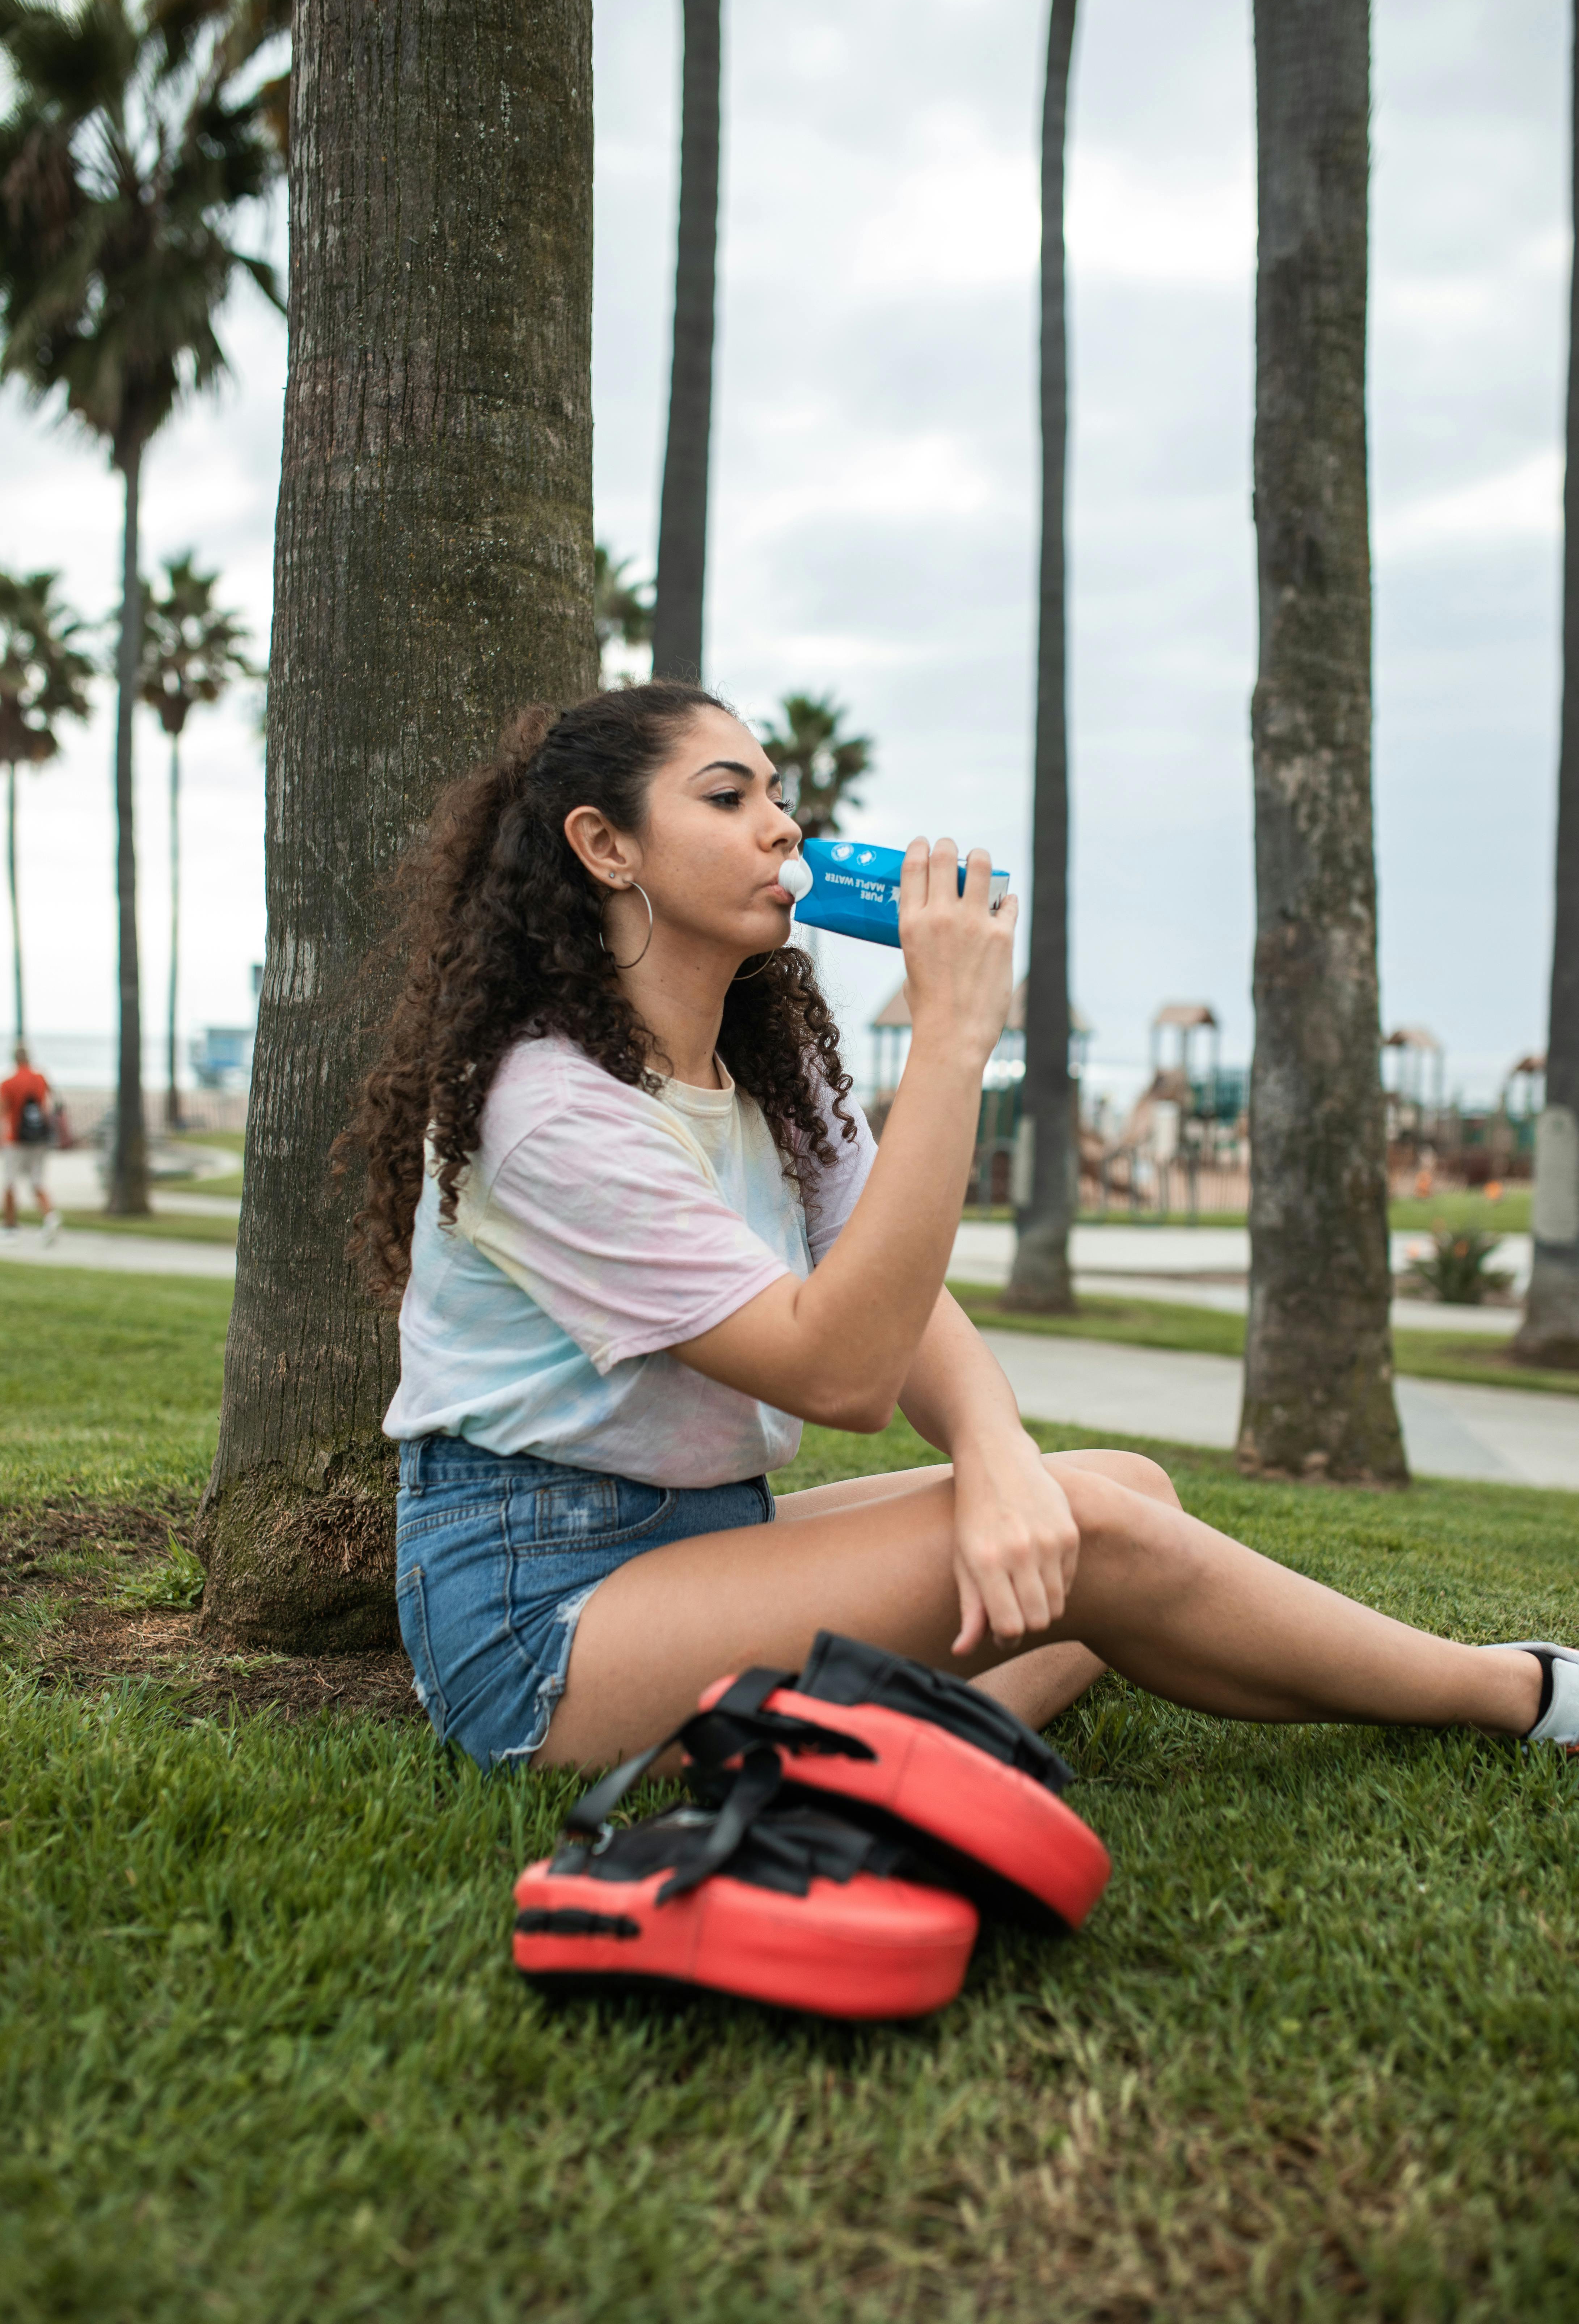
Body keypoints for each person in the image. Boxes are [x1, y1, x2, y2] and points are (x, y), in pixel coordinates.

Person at [339, 682, 1578, 1773]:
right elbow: (840, 1368)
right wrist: (952, 1042)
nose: (783, 826)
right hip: (542, 1614)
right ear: (605, 847)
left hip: (707, 1536)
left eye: (780, 793)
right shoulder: (548, 1106)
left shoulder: (768, 1067)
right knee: (1084, 1531)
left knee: (1107, 1487)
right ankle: (1515, 1691)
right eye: (727, 799)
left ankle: (880, 1752)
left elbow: (913, 1311)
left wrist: (994, 1459)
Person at [1, 1044, 62, 1243]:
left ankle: (11, 1228)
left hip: (17, 1140)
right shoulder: (40, 1078)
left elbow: (4, 1111)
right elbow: (53, 1101)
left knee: (10, 1183)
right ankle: (50, 1217)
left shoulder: (9, 1083)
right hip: (40, 1139)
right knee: (37, 1181)